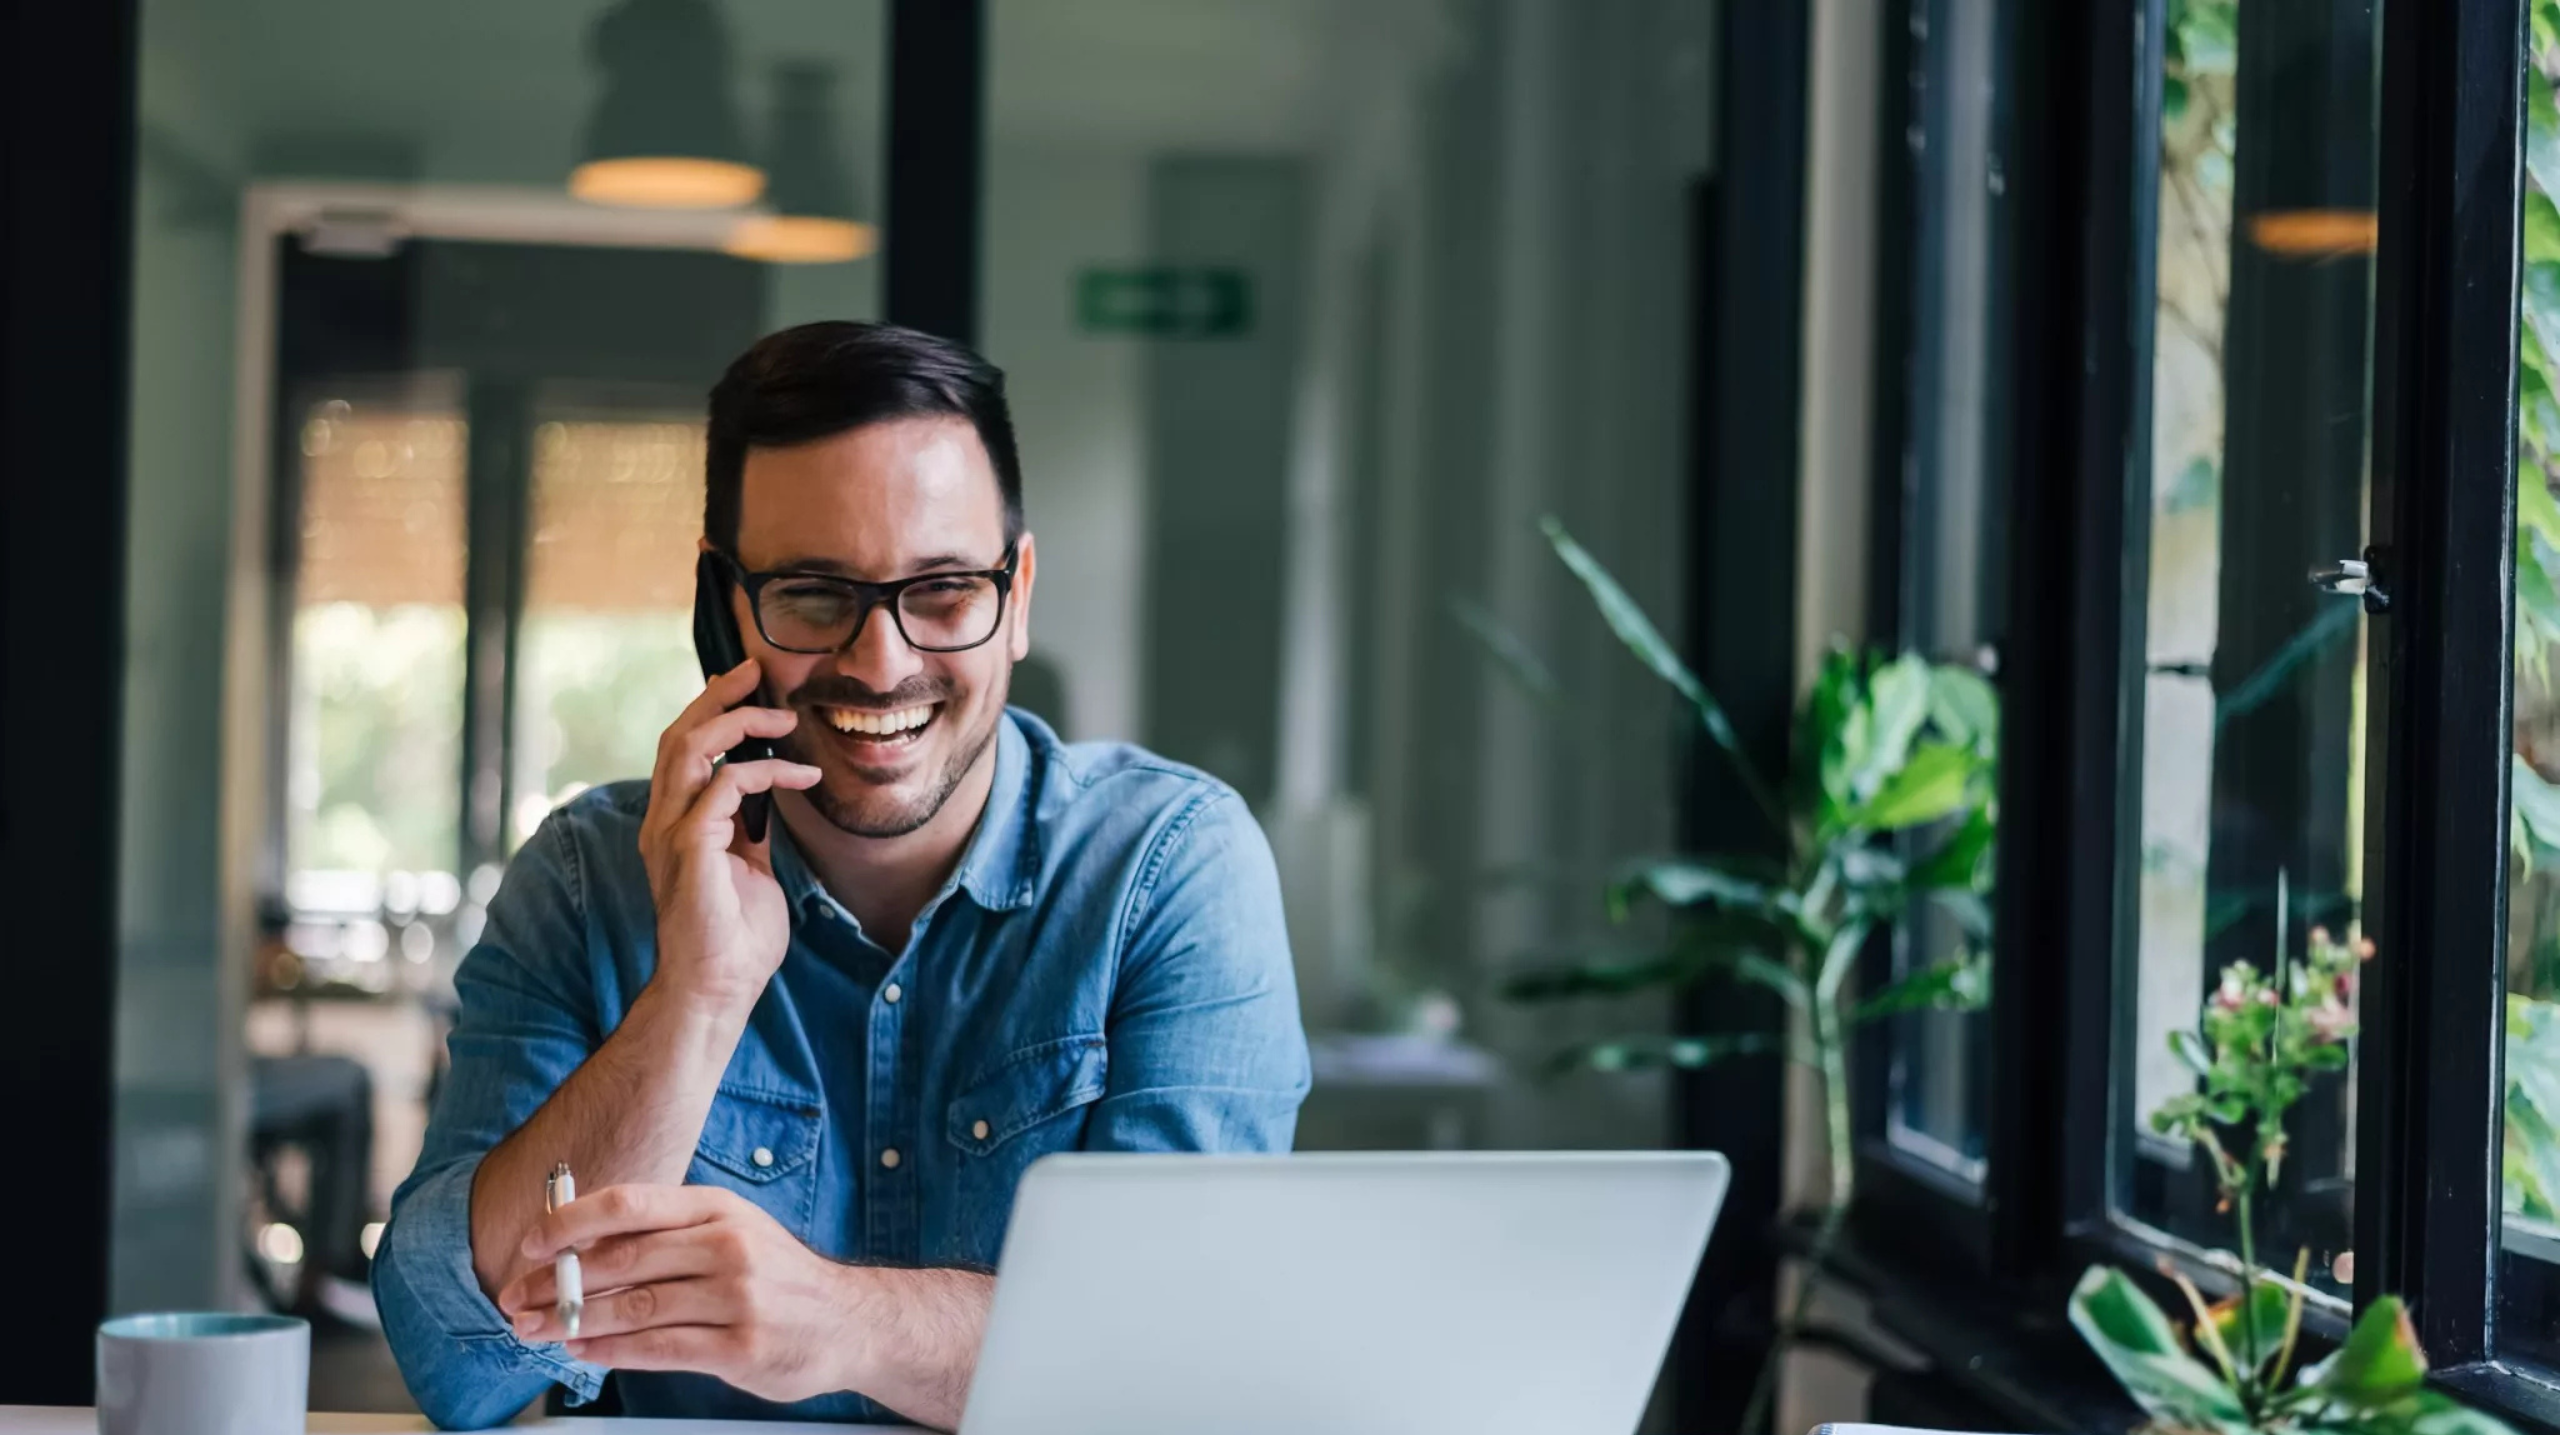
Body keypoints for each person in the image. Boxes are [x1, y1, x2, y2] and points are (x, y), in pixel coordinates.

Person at [372, 322, 1311, 1429]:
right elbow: (455, 1365)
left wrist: (835, 1320)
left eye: (945, 590)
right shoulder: (587, 879)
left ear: (1018, 593)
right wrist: (697, 999)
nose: (881, 661)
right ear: (726, 606)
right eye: (815, 595)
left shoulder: (1169, 868)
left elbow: (1185, 1368)